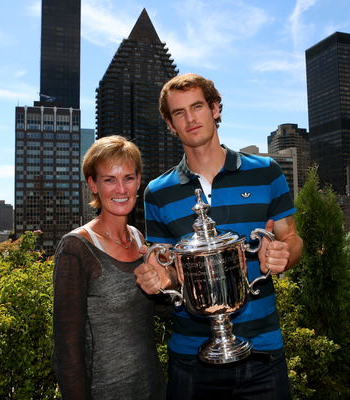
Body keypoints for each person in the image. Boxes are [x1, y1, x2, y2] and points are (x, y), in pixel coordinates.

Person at [134, 73, 303, 399]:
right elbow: (166, 265)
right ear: (170, 124)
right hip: (190, 359)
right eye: (179, 113)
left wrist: (284, 254)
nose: (190, 118)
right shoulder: (157, 192)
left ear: (215, 109)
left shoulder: (266, 171)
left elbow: (292, 238)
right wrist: (159, 278)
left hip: (263, 351)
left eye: (197, 106)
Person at [52, 135, 164, 400]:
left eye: (128, 178)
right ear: (93, 184)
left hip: (152, 387)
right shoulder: (76, 247)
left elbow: (156, 309)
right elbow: (67, 348)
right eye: (109, 179)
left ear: (138, 181)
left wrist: (170, 279)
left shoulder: (139, 239)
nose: (121, 189)